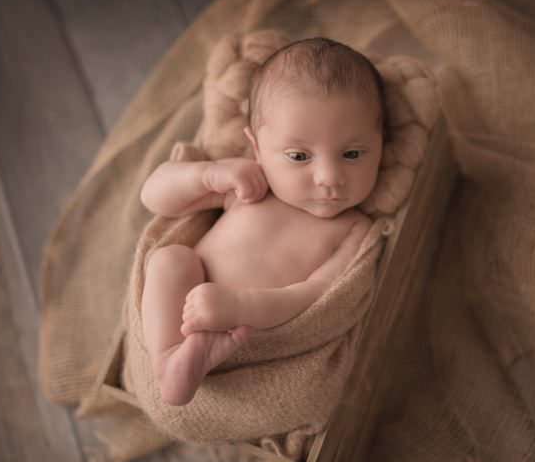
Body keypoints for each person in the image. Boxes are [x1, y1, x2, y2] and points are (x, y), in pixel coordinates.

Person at [139, 37, 387, 406]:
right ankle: (170, 361)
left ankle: (192, 359)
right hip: (187, 305)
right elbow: (154, 198)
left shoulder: (355, 229)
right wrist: (207, 175)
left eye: (352, 154)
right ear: (257, 147)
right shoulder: (251, 186)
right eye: (299, 156)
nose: (329, 177)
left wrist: (241, 307)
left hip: (252, 327)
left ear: (381, 144)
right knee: (170, 259)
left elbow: (317, 297)